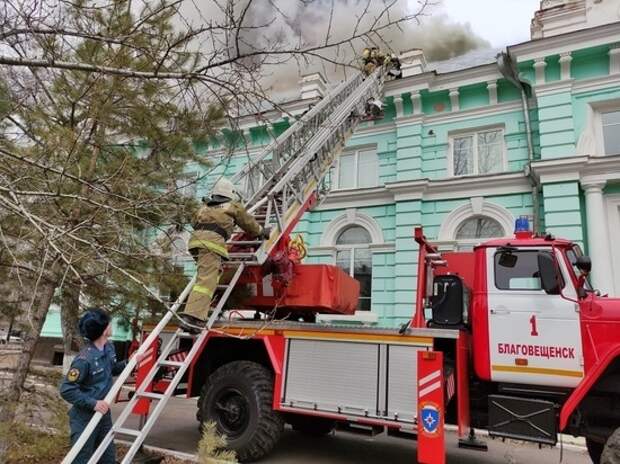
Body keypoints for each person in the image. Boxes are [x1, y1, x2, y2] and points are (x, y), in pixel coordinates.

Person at [180, 177, 269, 327]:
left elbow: (193, 221)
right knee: (206, 282)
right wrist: (261, 231)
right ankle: (192, 318)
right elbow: (248, 223)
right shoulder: (232, 206)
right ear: (230, 193)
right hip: (211, 244)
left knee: (207, 277)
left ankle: (195, 314)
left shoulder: (204, 207)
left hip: (195, 243)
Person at [60, 308, 127, 464]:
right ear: (104, 330)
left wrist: (130, 362)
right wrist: (94, 403)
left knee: (107, 458)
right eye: (109, 323)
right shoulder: (84, 359)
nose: (112, 325)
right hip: (84, 418)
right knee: (81, 459)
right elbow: (67, 389)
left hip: (103, 416)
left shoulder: (109, 348)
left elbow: (112, 368)